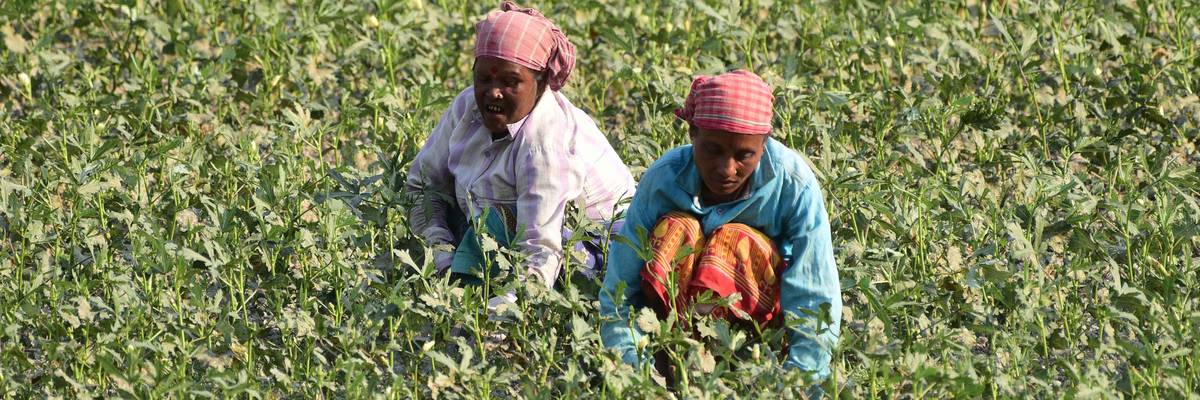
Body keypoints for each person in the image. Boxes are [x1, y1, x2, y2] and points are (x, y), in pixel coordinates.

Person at [598, 70, 842, 384]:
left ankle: (736, 365)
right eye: (713, 150)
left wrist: (801, 383)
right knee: (677, 228)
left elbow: (814, 293)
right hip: (667, 326)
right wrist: (634, 373)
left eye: (744, 155)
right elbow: (620, 292)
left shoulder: (793, 185)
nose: (727, 169)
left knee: (733, 240)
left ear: (764, 145)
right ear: (693, 133)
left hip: (753, 331)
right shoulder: (664, 179)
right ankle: (668, 363)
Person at [405, 1, 635, 293]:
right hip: (497, 226)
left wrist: (501, 320)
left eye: (511, 81)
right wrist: (440, 253)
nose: (493, 91)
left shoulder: (545, 144)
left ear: (540, 83)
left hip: (586, 245)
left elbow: (541, 252)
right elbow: (423, 187)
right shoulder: (466, 108)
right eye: (483, 78)